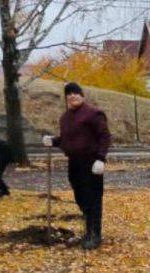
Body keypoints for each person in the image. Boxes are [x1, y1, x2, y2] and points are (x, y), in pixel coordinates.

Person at [42, 82, 111, 250]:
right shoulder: (65, 118)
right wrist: (54, 141)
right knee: (81, 198)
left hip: (91, 163)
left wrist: (101, 158)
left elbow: (105, 137)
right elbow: (67, 140)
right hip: (74, 163)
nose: (73, 96)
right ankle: (88, 230)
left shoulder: (93, 114)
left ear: (82, 95)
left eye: (76, 93)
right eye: (69, 94)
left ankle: (95, 234)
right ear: (66, 98)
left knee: (93, 199)